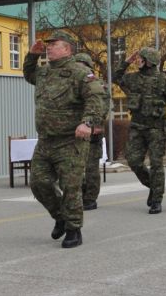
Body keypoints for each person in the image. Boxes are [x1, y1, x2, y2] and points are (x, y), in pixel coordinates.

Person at [23, 30, 105, 248]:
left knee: (70, 186)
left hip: (70, 141)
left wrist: (87, 122)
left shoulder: (80, 73)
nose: (49, 47)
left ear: (67, 48)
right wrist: (32, 55)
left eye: (54, 44)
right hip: (45, 140)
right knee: (38, 183)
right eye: (48, 44)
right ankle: (60, 216)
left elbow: (96, 97)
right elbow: (28, 74)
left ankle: (73, 229)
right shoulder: (44, 73)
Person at [114, 47, 166, 214]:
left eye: (140, 58)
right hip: (137, 127)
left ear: (149, 61)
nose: (137, 60)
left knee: (156, 164)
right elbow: (116, 77)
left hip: (156, 129)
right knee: (133, 161)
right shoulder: (133, 78)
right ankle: (154, 186)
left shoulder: (164, 80)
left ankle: (156, 200)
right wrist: (126, 62)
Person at [74, 52, 110, 211]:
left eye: (82, 65)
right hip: (76, 130)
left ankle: (90, 198)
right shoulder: (72, 82)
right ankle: (78, 196)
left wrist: (94, 125)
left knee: (91, 167)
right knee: (75, 167)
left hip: (92, 130)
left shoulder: (98, 84)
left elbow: (103, 108)